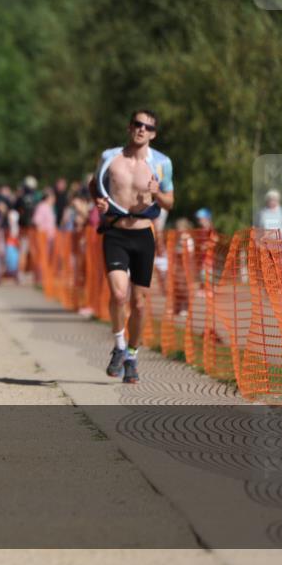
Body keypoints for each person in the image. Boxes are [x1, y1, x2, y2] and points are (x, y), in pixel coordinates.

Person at [89, 109, 174, 384]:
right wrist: (99, 202)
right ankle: (119, 344)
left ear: (153, 134)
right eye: (137, 124)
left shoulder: (162, 163)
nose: (141, 130)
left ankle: (133, 356)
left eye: (147, 127)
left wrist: (157, 192)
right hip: (115, 232)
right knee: (118, 294)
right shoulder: (110, 157)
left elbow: (170, 202)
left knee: (138, 303)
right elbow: (94, 185)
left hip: (143, 235)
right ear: (129, 127)